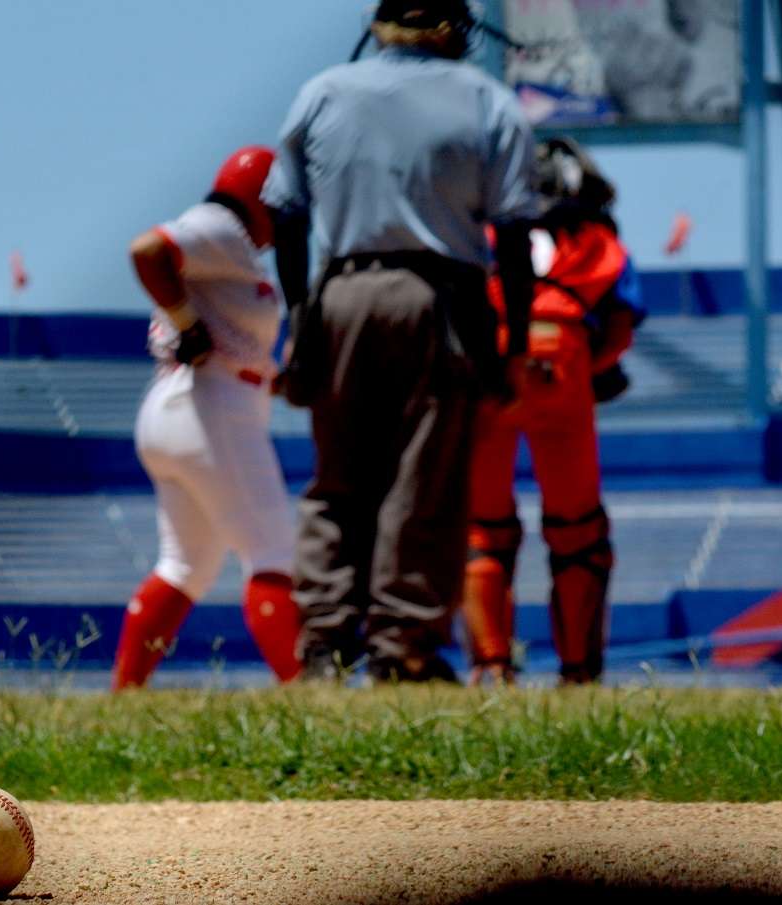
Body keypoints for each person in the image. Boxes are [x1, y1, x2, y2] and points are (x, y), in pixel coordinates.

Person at [263, 0, 538, 683]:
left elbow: (284, 211)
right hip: (438, 297)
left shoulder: (323, 90)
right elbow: (512, 233)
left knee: (337, 479)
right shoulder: (486, 99)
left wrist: (301, 317)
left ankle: (324, 642)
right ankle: (402, 644)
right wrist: (513, 343)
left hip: (341, 293)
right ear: (453, 30)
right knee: (424, 481)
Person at [111, 146, 303, 691]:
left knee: (185, 566)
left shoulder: (233, 245)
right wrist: (185, 322)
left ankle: (124, 694)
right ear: (263, 199)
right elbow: (149, 250)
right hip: (210, 404)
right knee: (272, 551)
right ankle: (305, 688)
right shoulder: (220, 226)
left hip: (183, 403)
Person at [460, 136, 645, 686]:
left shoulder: (481, 232)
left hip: (489, 360)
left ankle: (490, 668)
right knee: (578, 526)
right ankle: (579, 673)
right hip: (561, 359)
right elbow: (619, 328)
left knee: (483, 527)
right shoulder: (595, 238)